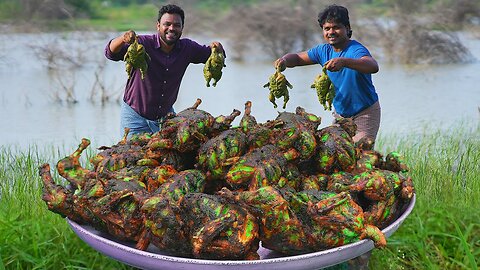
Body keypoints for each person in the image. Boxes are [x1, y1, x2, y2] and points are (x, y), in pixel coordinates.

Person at [105, 4, 225, 137]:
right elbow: (111, 53)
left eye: (176, 25)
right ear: (158, 26)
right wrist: (123, 38)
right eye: (166, 24)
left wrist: (218, 47)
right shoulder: (142, 44)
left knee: (164, 156)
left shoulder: (188, 48)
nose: (171, 28)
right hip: (135, 117)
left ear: (182, 28)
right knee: (129, 155)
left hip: (166, 119)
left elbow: (211, 55)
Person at [275, 4, 380, 145]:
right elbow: (298, 58)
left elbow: (373, 66)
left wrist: (344, 62)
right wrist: (284, 60)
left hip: (364, 112)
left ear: (347, 29)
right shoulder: (322, 51)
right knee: (335, 153)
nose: (331, 32)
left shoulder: (356, 50)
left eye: (336, 27)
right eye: (327, 28)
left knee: (360, 153)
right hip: (340, 115)